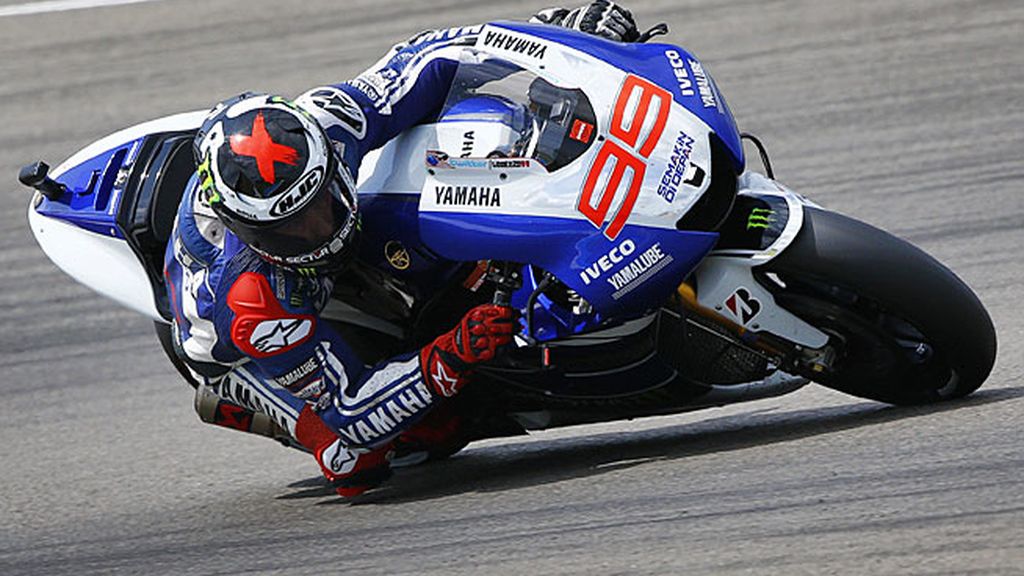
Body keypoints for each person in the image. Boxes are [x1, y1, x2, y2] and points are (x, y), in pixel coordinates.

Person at [163, 1, 641, 499]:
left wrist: (561, 36)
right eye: (292, 230)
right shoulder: (252, 304)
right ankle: (243, 407)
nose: (318, 230)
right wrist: (450, 353)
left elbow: (428, 57)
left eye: (321, 202)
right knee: (358, 460)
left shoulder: (328, 123)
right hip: (230, 351)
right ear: (249, 230)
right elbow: (353, 412)